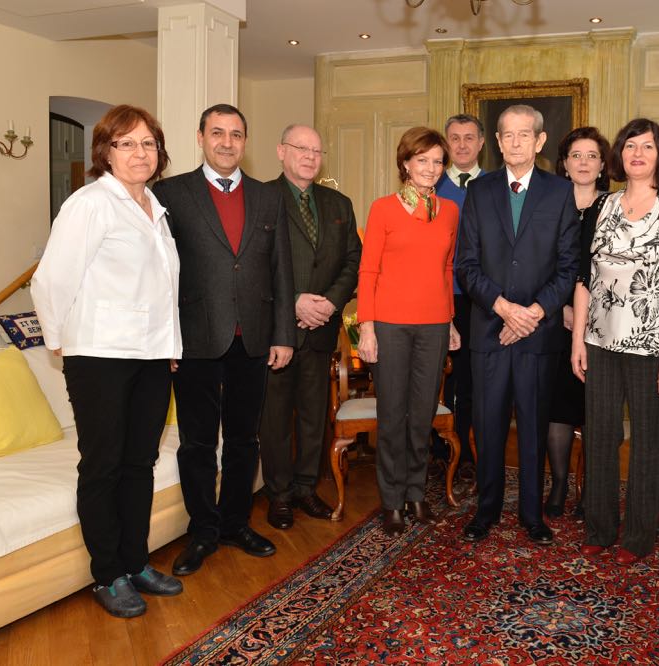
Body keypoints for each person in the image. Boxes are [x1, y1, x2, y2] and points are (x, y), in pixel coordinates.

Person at [32, 105, 183, 617]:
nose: (140, 153)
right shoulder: (90, 203)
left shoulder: (153, 207)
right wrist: (59, 338)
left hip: (149, 355)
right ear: (106, 152)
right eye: (127, 143)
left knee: (140, 462)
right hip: (98, 354)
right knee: (103, 464)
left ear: (159, 151)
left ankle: (136, 561)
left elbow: (163, 290)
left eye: (148, 143)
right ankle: (108, 574)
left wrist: (170, 347)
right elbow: (51, 279)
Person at [153, 104, 295, 576]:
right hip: (194, 339)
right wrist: (165, 340)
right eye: (218, 133)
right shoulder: (169, 193)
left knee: (243, 439)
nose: (227, 142)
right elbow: (159, 274)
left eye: (236, 134)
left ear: (245, 142)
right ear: (200, 137)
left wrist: (283, 335)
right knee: (196, 443)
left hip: (252, 339)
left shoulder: (268, 197)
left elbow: (281, 269)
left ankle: (235, 524)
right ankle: (203, 531)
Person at [571, 118, 659, 565]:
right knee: (600, 437)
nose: (638, 153)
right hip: (601, 341)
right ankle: (600, 528)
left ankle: (638, 537)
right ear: (620, 155)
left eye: (648, 146)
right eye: (630, 146)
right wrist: (577, 340)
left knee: (647, 442)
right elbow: (584, 279)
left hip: (652, 343)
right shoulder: (601, 207)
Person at [456, 104, 579, 546]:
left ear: (539, 141)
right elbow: (466, 266)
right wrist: (505, 309)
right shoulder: (480, 191)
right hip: (489, 330)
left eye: (523, 135)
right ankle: (485, 511)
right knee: (487, 426)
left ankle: (532, 515)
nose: (514, 142)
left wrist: (531, 314)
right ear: (497, 140)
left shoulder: (559, 192)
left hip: (538, 335)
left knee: (533, 425)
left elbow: (568, 267)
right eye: (506, 135)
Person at [356, 126, 461, 537]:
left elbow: (447, 269)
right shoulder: (383, 208)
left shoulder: (450, 211)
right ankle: (392, 501)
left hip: (434, 325)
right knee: (392, 415)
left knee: (422, 416)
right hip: (390, 325)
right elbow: (369, 270)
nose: (431, 168)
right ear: (405, 163)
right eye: (423, 160)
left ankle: (417, 494)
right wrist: (367, 327)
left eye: (437, 161)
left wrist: (450, 319)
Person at [258, 124, 361, 529]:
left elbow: (353, 260)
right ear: (281, 151)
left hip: (321, 328)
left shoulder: (339, 203)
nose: (309, 157)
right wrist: (294, 302)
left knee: (314, 415)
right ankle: (279, 495)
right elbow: (253, 263)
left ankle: (305, 488)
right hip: (278, 330)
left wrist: (331, 301)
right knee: (276, 417)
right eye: (301, 148)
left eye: (317, 151)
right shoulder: (262, 198)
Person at [545, 125, 611, 518]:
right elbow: (543, 263)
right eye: (576, 156)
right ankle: (558, 485)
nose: (583, 162)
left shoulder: (618, 205)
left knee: (596, 410)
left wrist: (588, 315)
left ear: (603, 165)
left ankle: (592, 489)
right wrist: (563, 308)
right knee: (559, 407)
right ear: (564, 164)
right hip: (558, 320)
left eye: (591, 156)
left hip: (605, 324)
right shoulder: (550, 203)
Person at [436, 113, 485, 478]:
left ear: (482, 143)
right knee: (437, 377)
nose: (463, 144)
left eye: (470, 138)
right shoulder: (431, 185)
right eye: (455, 138)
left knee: (470, 377)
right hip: (439, 295)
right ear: (447, 144)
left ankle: (465, 452)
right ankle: (436, 446)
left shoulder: (497, 186)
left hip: (479, 300)